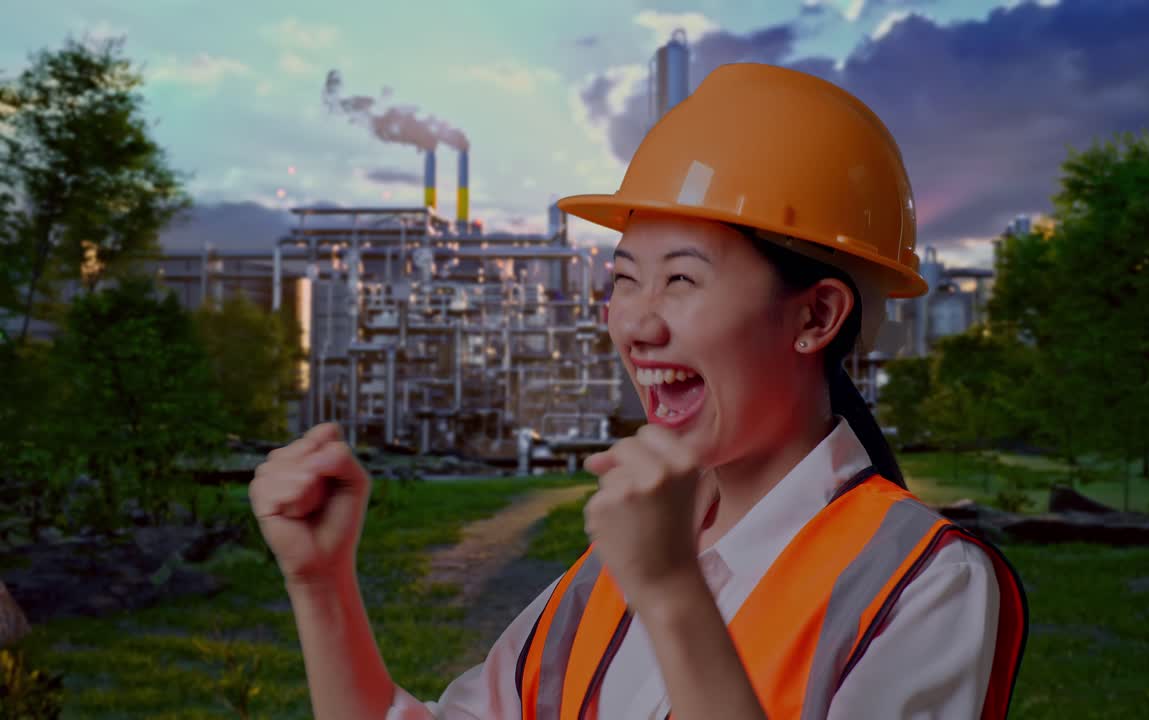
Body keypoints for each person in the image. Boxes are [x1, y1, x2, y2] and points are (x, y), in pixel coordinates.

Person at [250, 62, 1028, 720]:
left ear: (816, 314)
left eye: (681, 279)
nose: (636, 326)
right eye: (624, 280)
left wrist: (670, 595)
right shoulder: (621, 566)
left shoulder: (924, 584)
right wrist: (321, 586)